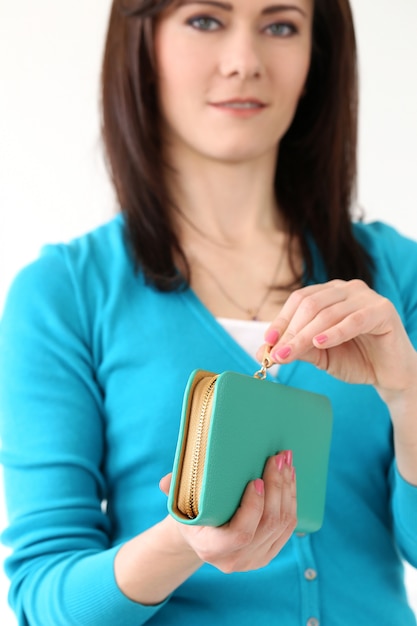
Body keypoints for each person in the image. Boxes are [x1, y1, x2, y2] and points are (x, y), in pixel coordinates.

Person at [0, 0, 416, 624]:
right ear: (144, 43)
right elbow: (43, 600)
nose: (245, 62)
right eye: (205, 19)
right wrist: (182, 541)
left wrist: (410, 396)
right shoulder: (63, 294)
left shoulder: (396, 277)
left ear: (317, 57)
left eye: (281, 26)